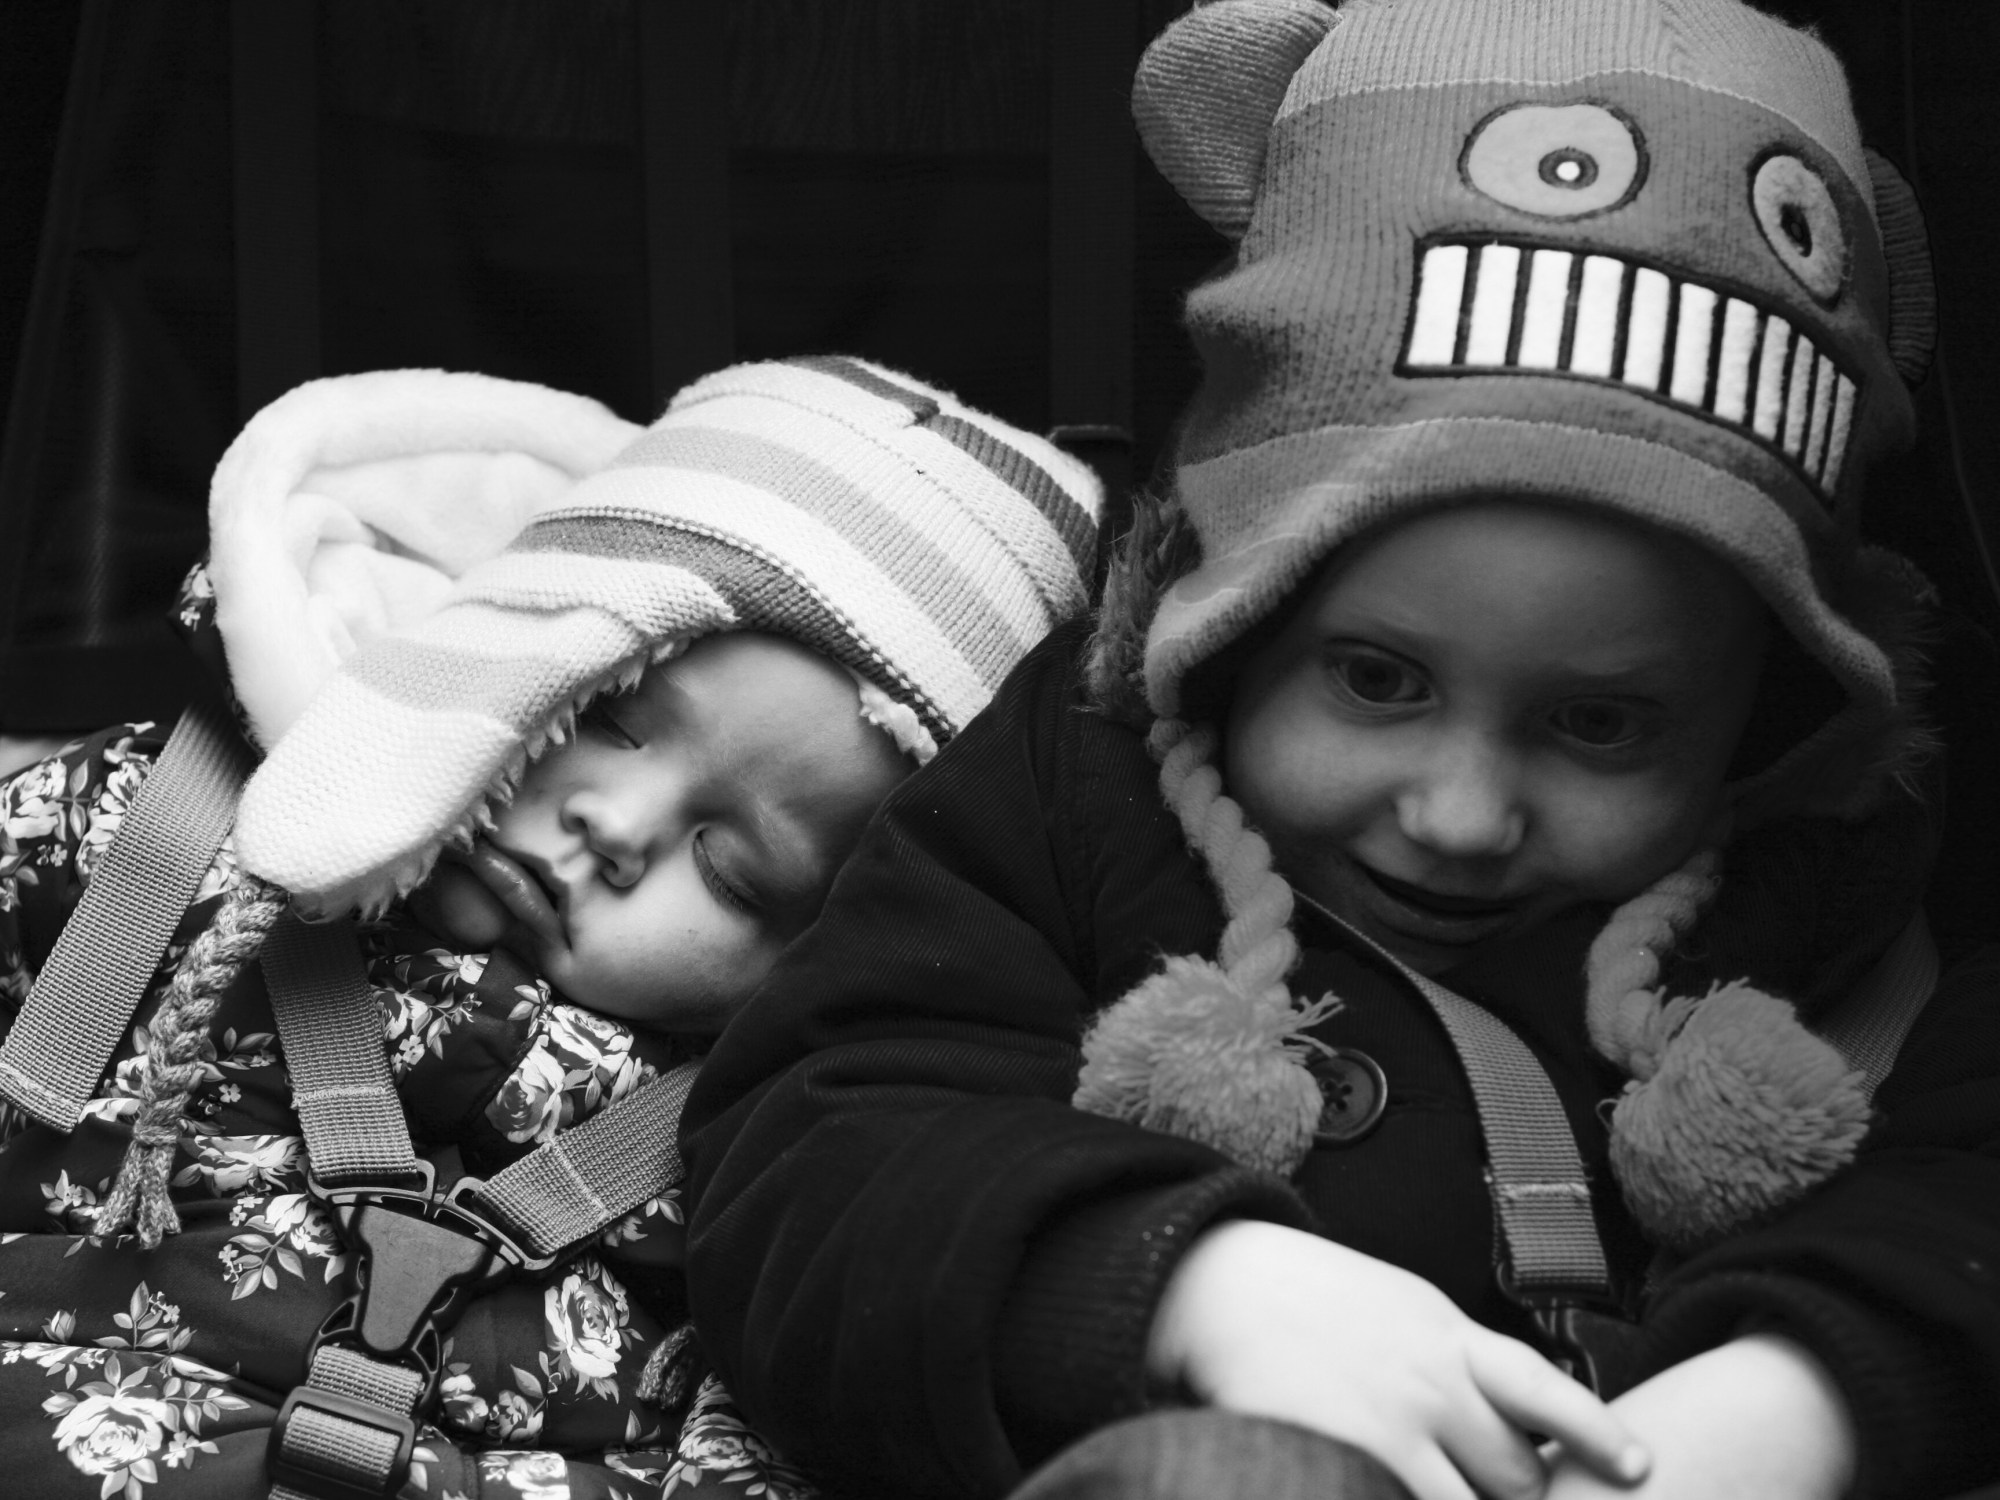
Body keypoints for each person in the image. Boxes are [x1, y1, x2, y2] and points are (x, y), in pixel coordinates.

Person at [678, 3, 2000, 1499]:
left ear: (1767, 704)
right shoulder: (1078, 794)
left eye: (1600, 723)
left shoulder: (1861, 873)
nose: (1461, 814)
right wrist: (1185, 1286)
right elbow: (807, 1152)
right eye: (1377, 681)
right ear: (1235, 618)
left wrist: (1796, 1401)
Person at [0, 355, 1101, 1498]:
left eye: (731, 871)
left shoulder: (770, 1155)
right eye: (608, 717)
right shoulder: (152, 838)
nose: (612, 824)